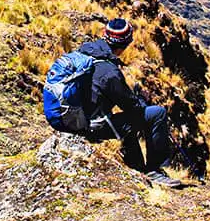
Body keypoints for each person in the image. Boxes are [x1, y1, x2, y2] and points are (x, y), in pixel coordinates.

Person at [77, 18, 182, 188]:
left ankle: (137, 165)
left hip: (66, 119)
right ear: (125, 43)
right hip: (90, 126)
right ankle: (154, 170)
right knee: (156, 114)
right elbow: (131, 107)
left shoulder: (84, 52)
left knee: (125, 123)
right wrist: (140, 100)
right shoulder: (110, 72)